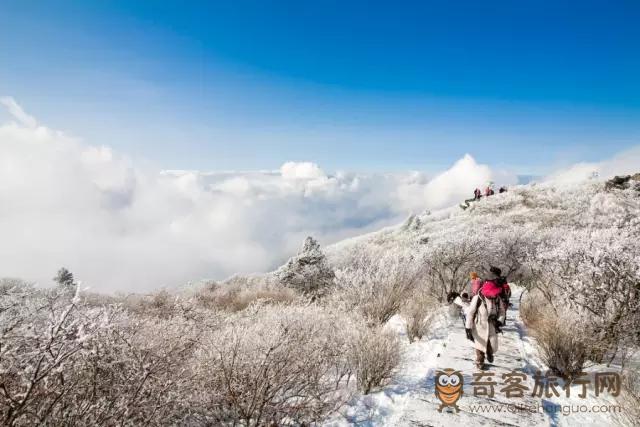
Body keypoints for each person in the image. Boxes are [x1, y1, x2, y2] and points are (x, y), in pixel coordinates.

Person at [465, 269, 507, 370]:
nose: (493, 296)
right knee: (480, 344)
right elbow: (470, 313)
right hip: (479, 325)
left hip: (492, 324)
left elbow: (502, 311)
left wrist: (499, 321)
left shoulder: (497, 298)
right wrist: (468, 328)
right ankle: (480, 360)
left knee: (494, 346)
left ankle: (489, 352)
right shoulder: (478, 298)